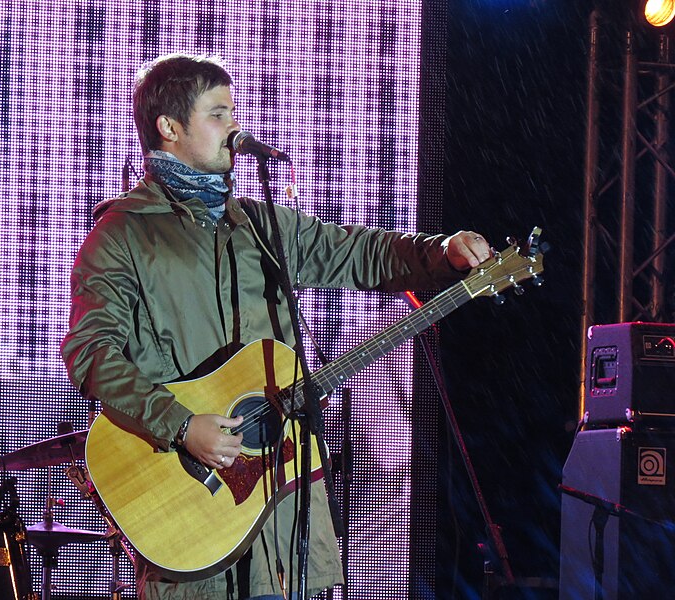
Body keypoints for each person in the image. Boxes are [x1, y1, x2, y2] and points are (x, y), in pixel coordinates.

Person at [60, 53, 492, 600]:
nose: (236, 127)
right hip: (195, 510)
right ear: (169, 128)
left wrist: (442, 254)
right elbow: (91, 352)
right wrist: (179, 424)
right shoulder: (122, 236)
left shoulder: (261, 224)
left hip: (280, 512)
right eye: (218, 114)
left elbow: (358, 253)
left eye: (234, 111)